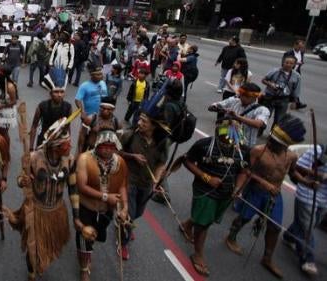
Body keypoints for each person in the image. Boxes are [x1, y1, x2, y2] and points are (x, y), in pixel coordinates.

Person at [225, 115, 310, 279]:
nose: (270, 142)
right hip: (255, 191)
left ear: (284, 145)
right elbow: (246, 171)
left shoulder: (291, 156)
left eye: (275, 142)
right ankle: (231, 237)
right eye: (271, 139)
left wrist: (305, 181)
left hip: (274, 195)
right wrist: (263, 183)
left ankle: (267, 258)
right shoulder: (259, 151)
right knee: (244, 218)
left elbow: (293, 173)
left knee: (275, 227)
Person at [5, 119, 74, 280]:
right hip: (36, 210)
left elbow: (73, 187)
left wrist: (77, 217)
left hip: (56, 211)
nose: (70, 147)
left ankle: (40, 263)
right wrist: (23, 181)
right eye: (66, 144)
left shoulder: (69, 159)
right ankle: (31, 272)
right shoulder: (34, 158)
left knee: (48, 245)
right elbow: (20, 179)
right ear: (55, 146)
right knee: (32, 246)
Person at [180, 119, 251, 277]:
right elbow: (187, 161)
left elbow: (244, 171)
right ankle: (197, 254)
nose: (229, 141)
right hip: (204, 190)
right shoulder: (203, 145)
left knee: (208, 217)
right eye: (226, 138)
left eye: (232, 138)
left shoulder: (243, 150)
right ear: (218, 134)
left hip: (226, 193)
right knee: (204, 223)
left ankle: (187, 225)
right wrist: (206, 178)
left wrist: (238, 188)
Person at [74, 129, 128, 280]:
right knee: (84, 239)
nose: (108, 149)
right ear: (97, 145)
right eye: (104, 146)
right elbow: (82, 186)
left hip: (105, 211)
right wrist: (106, 196)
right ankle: (84, 267)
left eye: (111, 146)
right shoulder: (85, 159)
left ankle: (87, 253)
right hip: (86, 208)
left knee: (94, 237)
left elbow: (122, 186)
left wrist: (124, 208)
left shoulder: (120, 162)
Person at [118, 108, 169, 259]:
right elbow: (116, 152)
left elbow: (161, 163)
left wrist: (156, 180)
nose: (139, 123)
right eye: (139, 119)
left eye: (144, 121)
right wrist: (132, 156)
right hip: (129, 180)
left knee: (138, 212)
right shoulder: (130, 135)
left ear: (154, 125)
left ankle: (128, 223)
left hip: (146, 184)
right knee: (129, 214)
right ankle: (123, 243)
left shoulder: (162, 142)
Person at [282, 144, 326, 276]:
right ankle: (308, 259)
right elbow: (296, 168)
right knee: (308, 228)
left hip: (324, 199)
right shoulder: (318, 151)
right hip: (307, 193)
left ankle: (289, 236)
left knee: (311, 224)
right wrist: (319, 176)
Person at [208, 83, 270, 148]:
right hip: (224, 139)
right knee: (201, 145)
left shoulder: (262, 110)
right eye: (241, 94)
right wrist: (218, 108)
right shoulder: (234, 100)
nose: (242, 97)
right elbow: (212, 106)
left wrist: (237, 117)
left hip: (244, 145)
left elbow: (258, 124)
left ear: (255, 97)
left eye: (246, 96)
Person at [260, 55, 301, 128]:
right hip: (270, 97)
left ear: (294, 64)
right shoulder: (275, 71)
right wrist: (270, 84)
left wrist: (295, 102)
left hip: (284, 99)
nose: (288, 64)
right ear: (283, 62)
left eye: (291, 63)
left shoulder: (297, 76)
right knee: (265, 116)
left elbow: (296, 90)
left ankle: (272, 136)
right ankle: (259, 131)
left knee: (279, 120)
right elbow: (263, 80)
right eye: (287, 62)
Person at [29, 83, 72, 149]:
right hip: (43, 141)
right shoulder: (42, 106)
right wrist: (31, 148)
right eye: (56, 92)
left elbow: (67, 127)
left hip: (60, 142)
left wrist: (68, 143)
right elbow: (34, 126)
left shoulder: (68, 107)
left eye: (62, 92)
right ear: (50, 93)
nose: (59, 95)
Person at [0, 65, 18, 144]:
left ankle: (5, 150)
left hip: (6, 113)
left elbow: (14, 101)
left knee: (3, 133)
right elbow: (1, 97)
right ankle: (1, 147)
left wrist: (2, 106)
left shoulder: (10, 86)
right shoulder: (2, 83)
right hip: (0, 110)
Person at [282, 39, 307, 109]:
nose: (300, 49)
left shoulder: (301, 53)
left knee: (295, 87)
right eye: (299, 47)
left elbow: (301, 61)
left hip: (296, 72)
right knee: (286, 86)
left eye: (301, 47)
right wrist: (295, 63)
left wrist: (301, 63)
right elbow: (283, 63)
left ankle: (296, 103)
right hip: (288, 72)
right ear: (295, 45)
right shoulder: (288, 53)